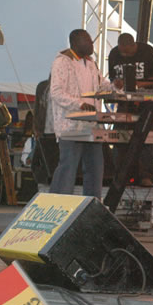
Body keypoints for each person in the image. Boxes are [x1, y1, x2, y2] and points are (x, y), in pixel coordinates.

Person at [48, 29, 112, 199]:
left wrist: (115, 87)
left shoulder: (90, 63)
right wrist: (79, 104)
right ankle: (57, 204)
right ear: (75, 43)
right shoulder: (62, 62)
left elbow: (101, 84)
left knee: (95, 168)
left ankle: (92, 204)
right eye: (88, 41)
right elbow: (56, 92)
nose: (92, 44)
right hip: (71, 126)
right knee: (68, 167)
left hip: (92, 124)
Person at [108, 33, 153, 186]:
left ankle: (145, 175)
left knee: (145, 137)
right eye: (122, 52)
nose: (124, 55)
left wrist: (136, 84)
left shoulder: (147, 51)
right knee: (119, 136)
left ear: (133, 45)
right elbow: (112, 78)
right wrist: (117, 83)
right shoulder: (114, 54)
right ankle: (120, 173)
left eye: (128, 53)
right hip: (124, 102)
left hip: (145, 101)